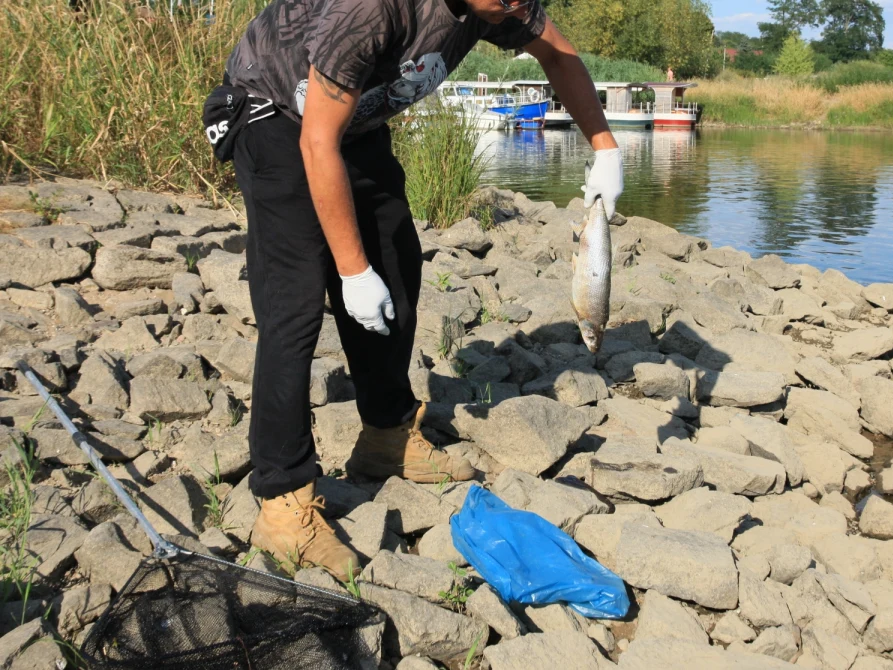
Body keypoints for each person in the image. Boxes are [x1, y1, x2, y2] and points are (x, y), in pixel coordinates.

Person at [214, 0, 622, 580]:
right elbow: (314, 145)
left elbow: (560, 56)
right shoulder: (371, 9)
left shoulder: (503, 2)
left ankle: (386, 435)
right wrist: (351, 274)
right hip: (274, 116)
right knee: (296, 302)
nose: (512, 5)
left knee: (397, 266)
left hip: (352, 125)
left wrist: (606, 147)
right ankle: (282, 501)